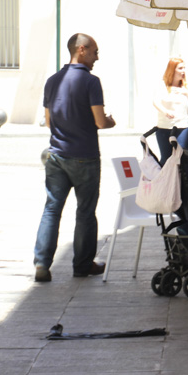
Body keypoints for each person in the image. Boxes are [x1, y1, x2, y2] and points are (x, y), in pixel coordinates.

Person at [34, 33, 116, 282]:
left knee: (52, 209)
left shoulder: (52, 81)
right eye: (94, 52)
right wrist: (111, 120)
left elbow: (49, 121)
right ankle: (82, 265)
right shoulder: (91, 82)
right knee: (85, 212)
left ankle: (42, 264)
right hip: (85, 157)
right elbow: (100, 121)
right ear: (81, 50)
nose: (97, 58)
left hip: (57, 156)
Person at [153, 58, 188, 164]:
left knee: (181, 158)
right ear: (172, 70)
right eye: (180, 68)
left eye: (184, 68)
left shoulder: (187, 87)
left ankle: (182, 180)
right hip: (164, 127)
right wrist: (165, 111)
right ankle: (165, 180)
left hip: (183, 127)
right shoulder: (162, 85)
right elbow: (155, 101)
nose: (183, 71)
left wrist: (186, 93)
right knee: (166, 159)